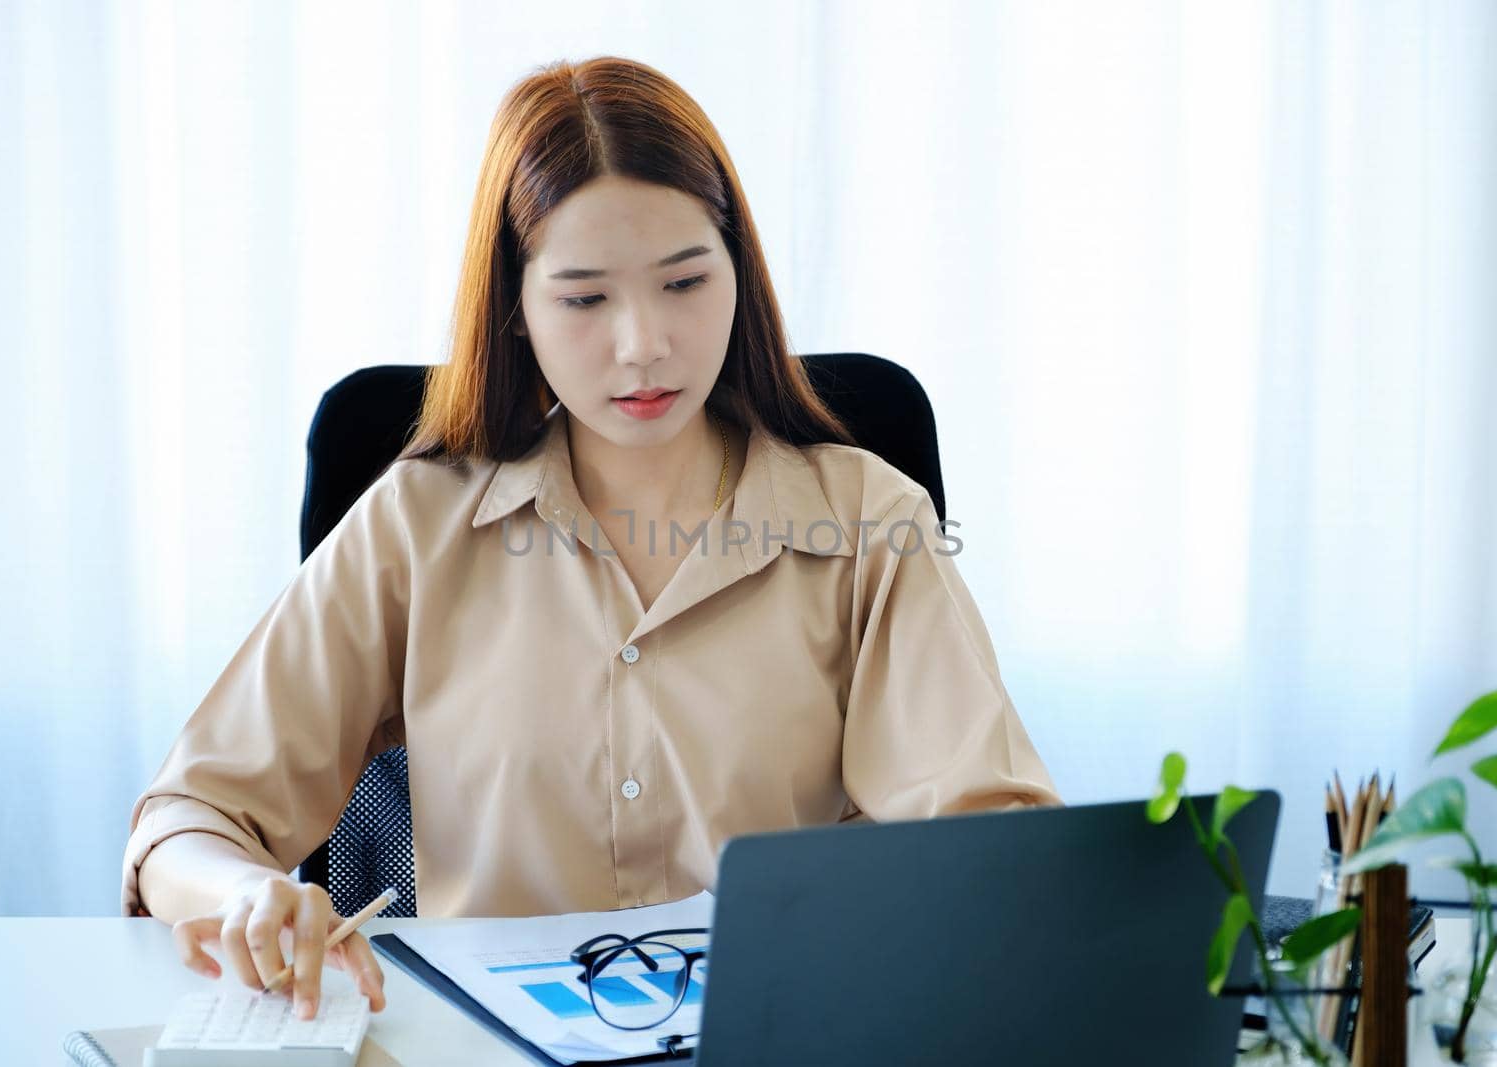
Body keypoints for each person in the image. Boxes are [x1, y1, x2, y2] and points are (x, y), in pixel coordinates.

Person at [121, 55, 1060, 1024]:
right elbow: (190, 817)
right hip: (481, 1045)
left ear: (740, 277)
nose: (642, 342)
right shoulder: (419, 520)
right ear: (516, 310)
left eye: (685, 281)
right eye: (582, 297)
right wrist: (239, 893)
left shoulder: (867, 520)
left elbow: (990, 845)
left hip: (783, 1028)